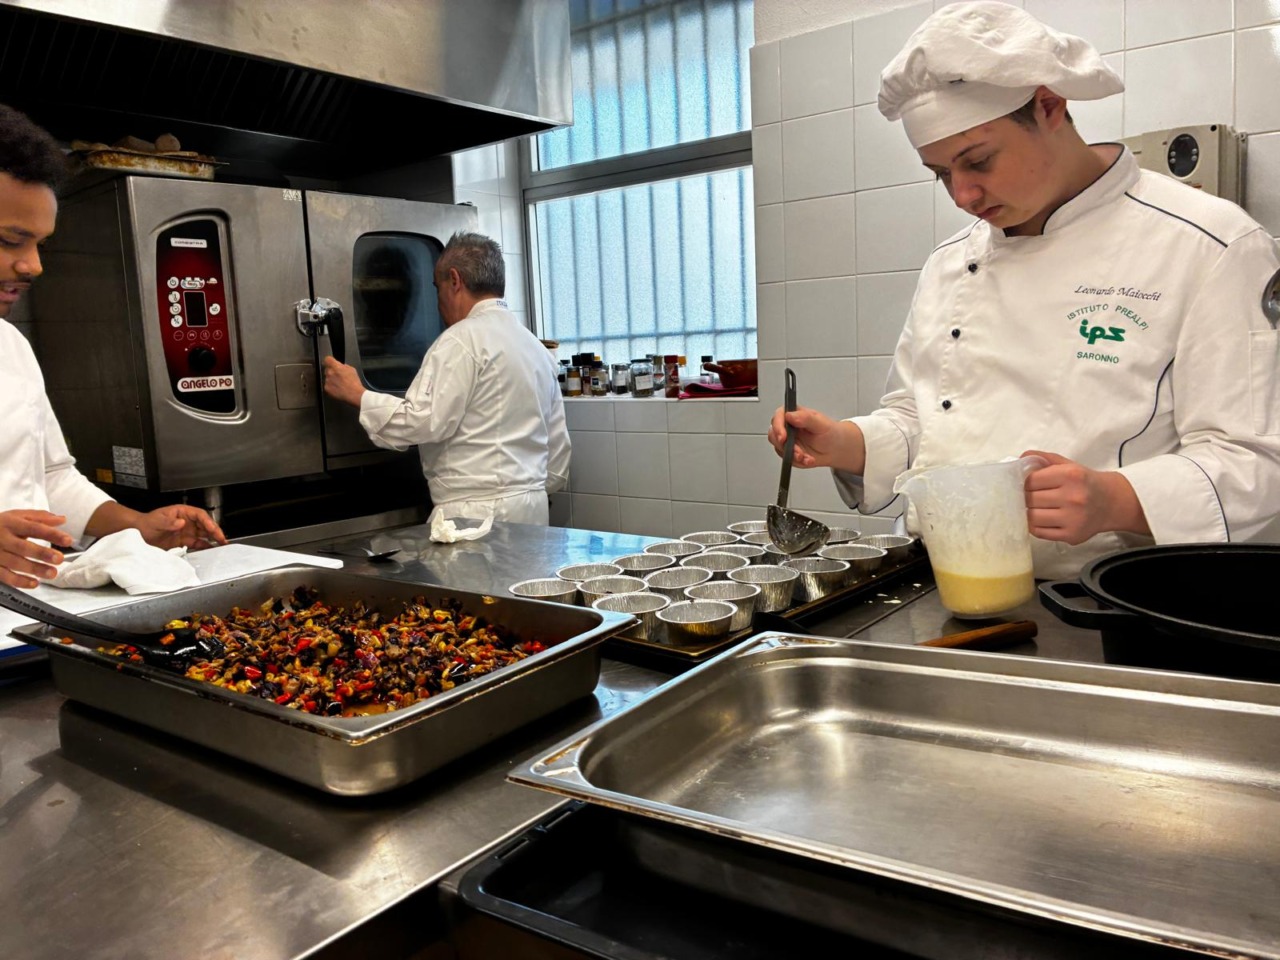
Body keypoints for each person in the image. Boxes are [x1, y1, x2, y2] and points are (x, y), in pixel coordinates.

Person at [768, 1, 1280, 580]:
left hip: (1107, 600)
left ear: (1049, 105)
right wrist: (846, 441)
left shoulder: (1211, 245)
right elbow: (925, 422)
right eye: (941, 173)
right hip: (942, 582)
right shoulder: (950, 262)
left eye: (977, 160)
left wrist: (1117, 498)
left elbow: (1255, 460)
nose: (962, 195)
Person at [0, 104, 226, 590]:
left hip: (26, 615)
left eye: (40, 244)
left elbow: (52, 478)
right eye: (11, 240)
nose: (33, 266)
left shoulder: (10, 347)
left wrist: (138, 525)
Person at [323, 231, 570, 526]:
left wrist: (357, 393)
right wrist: (522, 492)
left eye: (436, 287)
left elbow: (422, 421)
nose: (437, 301)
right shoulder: (535, 348)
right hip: (533, 511)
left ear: (454, 280)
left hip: (473, 517)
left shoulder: (460, 341)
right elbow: (558, 456)